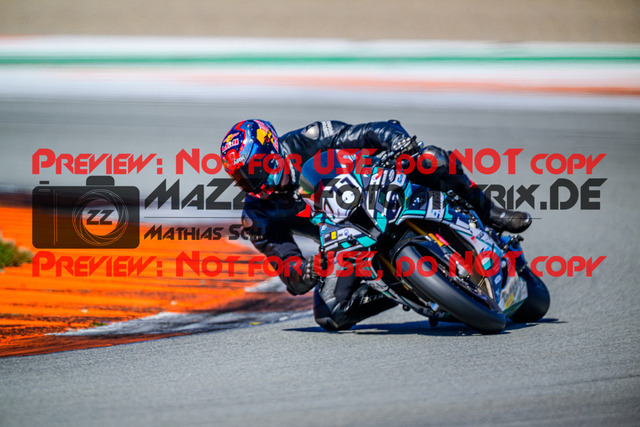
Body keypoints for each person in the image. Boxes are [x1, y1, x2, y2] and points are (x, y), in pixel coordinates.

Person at [220, 119, 532, 331]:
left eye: (253, 171)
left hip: (377, 190)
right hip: (343, 241)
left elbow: (367, 131)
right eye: (241, 178)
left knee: (430, 159)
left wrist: (397, 142)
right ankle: (410, 288)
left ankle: (489, 212)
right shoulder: (256, 215)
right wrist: (308, 270)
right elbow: (288, 268)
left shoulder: (309, 138)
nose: (251, 183)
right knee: (330, 313)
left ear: (272, 152)